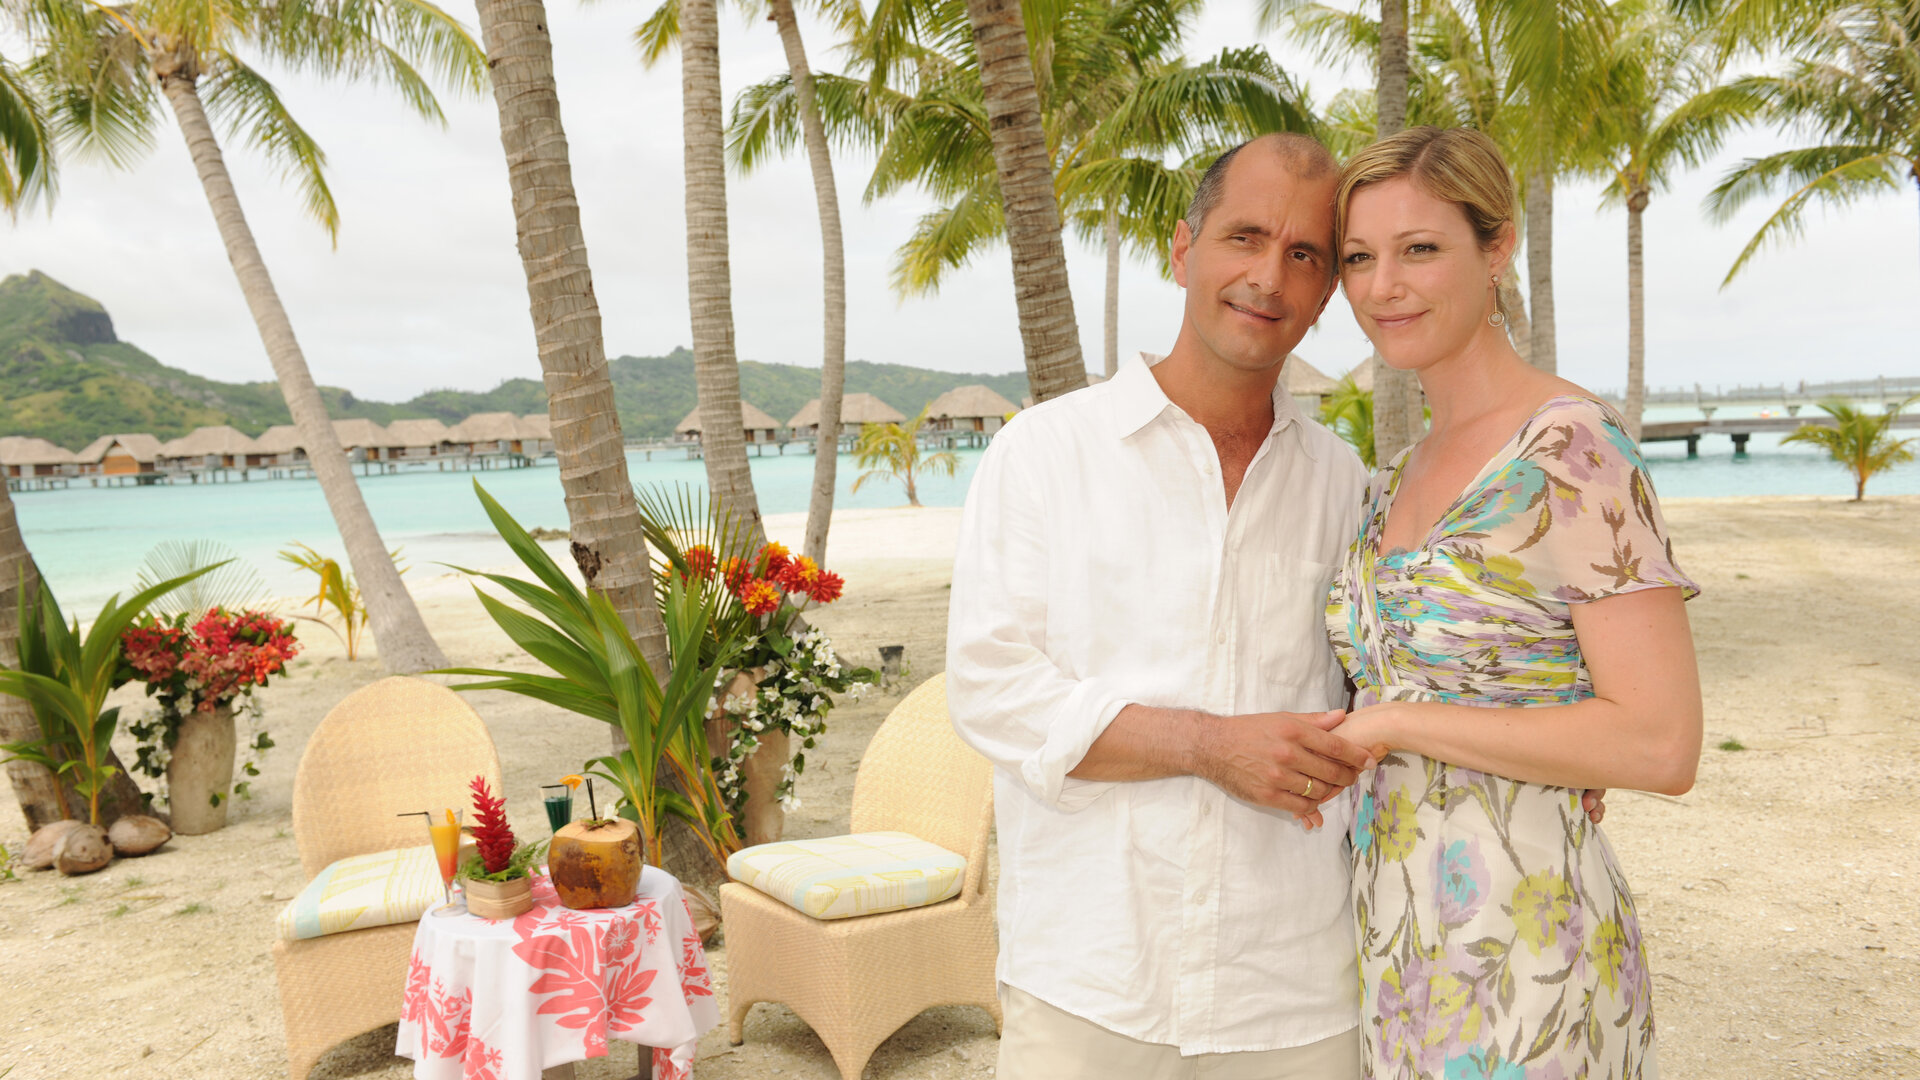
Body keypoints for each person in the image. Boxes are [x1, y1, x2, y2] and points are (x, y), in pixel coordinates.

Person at [945, 132, 1378, 1079]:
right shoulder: (1045, 453)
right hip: (1091, 978)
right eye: (1245, 237)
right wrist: (1210, 746)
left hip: (1295, 987)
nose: (1269, 276)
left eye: (1304, 254)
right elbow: (989, 688)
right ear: (1184, 250)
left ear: (1326, 291)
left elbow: (1394, 683)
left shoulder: (1344, 483)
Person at [1323, 125, 1702, 1079]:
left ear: (1496, 250)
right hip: (1399, 936)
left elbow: (1660, 744)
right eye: (1359, 258)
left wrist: (1398, 721)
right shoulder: (1401, 468)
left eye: (1420, 249)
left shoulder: (1570, 451)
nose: (1383, 287)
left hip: (1529, 941)